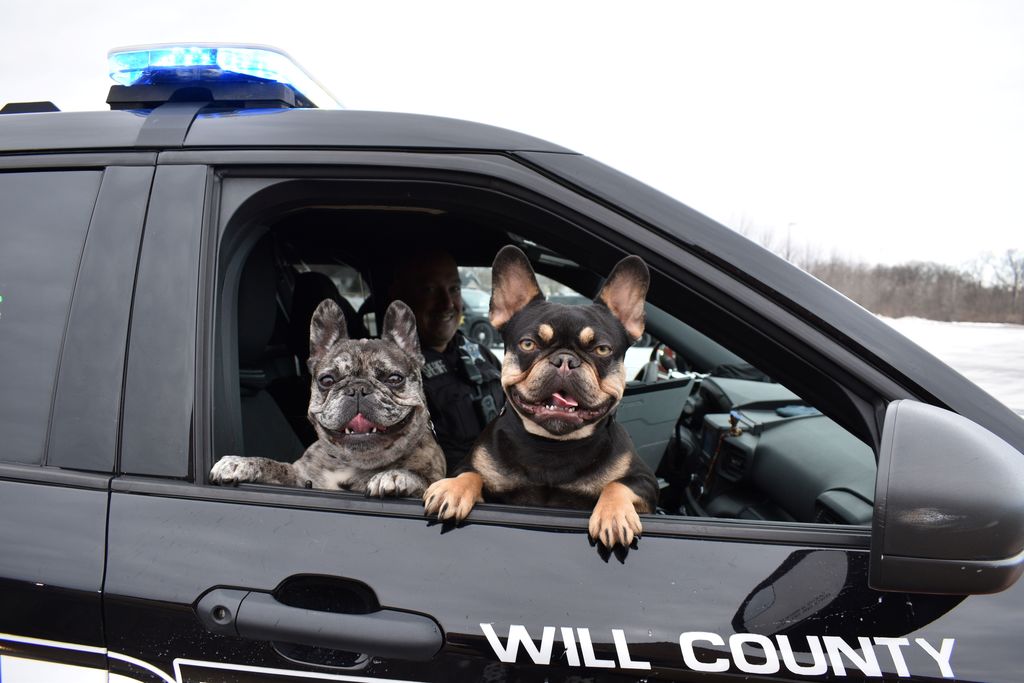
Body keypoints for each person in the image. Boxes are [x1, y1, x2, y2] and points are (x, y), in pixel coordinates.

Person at [389, 249, 505, 471]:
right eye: (429, 290)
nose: (447, 303)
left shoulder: (480, 354)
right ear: (400, 296)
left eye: (454, 289)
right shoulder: (390, 373)